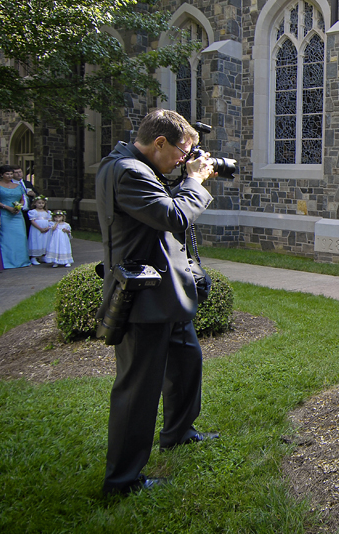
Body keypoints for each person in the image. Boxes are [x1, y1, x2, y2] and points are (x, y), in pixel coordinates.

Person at [97, 109, 217, 495]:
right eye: (182, 152)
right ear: (159, 143)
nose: (185, 161)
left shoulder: (134, 165)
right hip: (143, 300)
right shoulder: (128, 172)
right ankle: (122, 480)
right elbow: (172, 216)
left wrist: (184, 175)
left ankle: (178, 432)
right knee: (138, 391)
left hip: (165, 295)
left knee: (187, 362)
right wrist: (195, 182)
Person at [0, 165, 30, 269]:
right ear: (1, 175)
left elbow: (22, 199)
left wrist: (19, 206)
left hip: (17, 215)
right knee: (6, 238)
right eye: (7, 174)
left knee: (20, 236)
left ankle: (21, 261)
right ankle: (5, 261)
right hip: (4, 214)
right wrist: (6, 207)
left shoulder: (18, 186)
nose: (10, 176)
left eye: (11, 174)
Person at [27, 196, 52, 265]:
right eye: (39, 203)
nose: (41, 204)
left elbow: (50, 221)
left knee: (45, 241)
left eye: (42, 203)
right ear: (35, 203)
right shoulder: (33, 212)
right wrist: (40, 228)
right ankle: (34, 257)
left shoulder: (47, 212)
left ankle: (44, 255)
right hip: (37, 229)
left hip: (46, 229)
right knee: (36, 240)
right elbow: (32, 221)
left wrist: (48, 227)